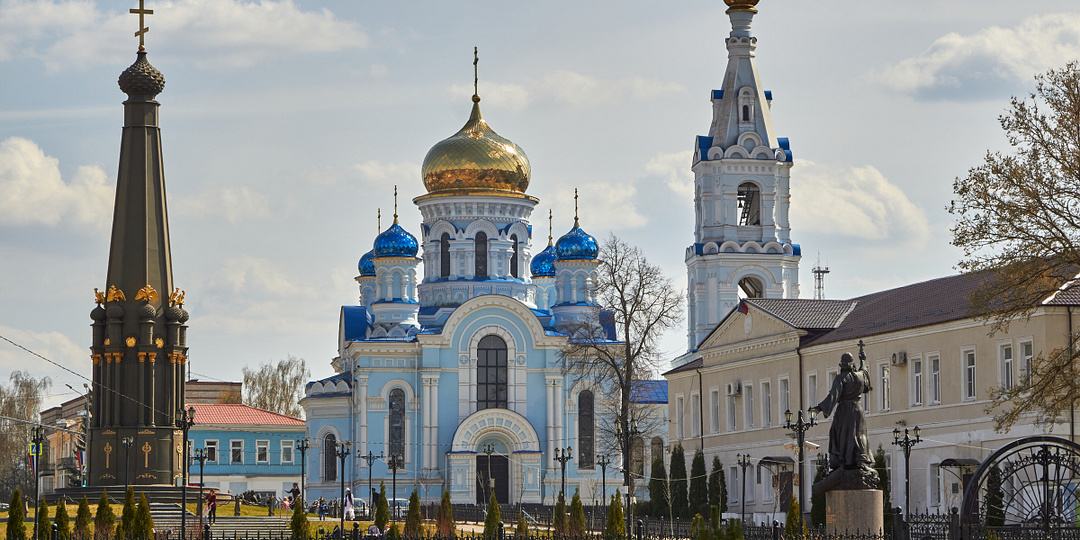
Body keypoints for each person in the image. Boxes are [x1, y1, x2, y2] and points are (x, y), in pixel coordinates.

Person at [809, 350, 876, 478]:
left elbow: (833, 396)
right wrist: (863, 361)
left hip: (845, 411)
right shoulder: (860, 376)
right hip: (858, 410)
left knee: (840, 435)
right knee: (858, 434)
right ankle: (860, 459)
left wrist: (819, 408)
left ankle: (844, 460)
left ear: (842, 365)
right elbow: (866, 379)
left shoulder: (841, 378)